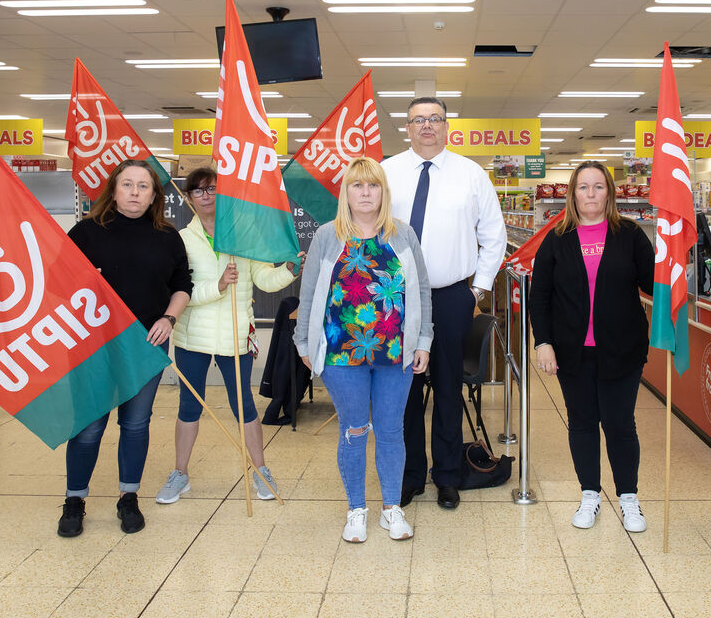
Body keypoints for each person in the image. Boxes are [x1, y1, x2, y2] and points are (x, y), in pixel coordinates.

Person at [294, 157, 433, 542]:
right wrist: (303, 342)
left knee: (391, 431)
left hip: (395, 353)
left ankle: (392, 508)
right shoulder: (327, 236)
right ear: (346, 193)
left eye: (373, 186)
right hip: (341, 354)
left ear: (383, 193)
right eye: (358, 185)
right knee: (354, 430)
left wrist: (424, 341)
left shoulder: (403, 235)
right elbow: (309, 293)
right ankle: (356, 508)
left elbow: (421, 289)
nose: (366, 193)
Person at [381, 96, 506, 510]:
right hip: (396, 297)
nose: (427, 126)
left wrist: (478, 289)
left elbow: (494, 235)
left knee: (449, 388)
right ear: (408, 127)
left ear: (446, 125)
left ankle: (448, 476)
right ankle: (410, 475)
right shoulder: (387, 172)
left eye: (435, 119)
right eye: (419, 120)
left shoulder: (471, 174)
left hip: (452, 295)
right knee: (404, 390)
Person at [59, 160, 192, 537]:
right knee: (89, 426)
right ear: (113, 189)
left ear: (154, 195)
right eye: (127, 184)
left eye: (143, 186)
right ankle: (74, 500)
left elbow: (183, 283)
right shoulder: (86, 232)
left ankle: (128, 496)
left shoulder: (167, 235)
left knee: (135, 424)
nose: (135, 192)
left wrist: (169, 318)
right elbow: (56, 284)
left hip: (145, 347)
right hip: (94, 349)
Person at [156, 167, 303, 506]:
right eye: (198, 190)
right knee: (189, 406)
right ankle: (180, 473)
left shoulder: (242, 234)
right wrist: (218, 286)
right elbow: (181, 290)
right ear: (190, 198)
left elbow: (265, 280)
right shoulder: (182, 239)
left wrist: (288, 270)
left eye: (212, 189)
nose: (206, 195)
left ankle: (260, 469)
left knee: (244, 407)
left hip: (235, 338)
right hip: (193, 337)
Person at [529, 161, 655, 532]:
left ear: (609, 193)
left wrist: (674, 258)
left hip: (622, 348)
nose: (590, 195)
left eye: (598, 187)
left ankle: (629, 498)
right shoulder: (557, 237)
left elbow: (652, 284)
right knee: (582, 424)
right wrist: (544, 342)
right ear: (572, 193)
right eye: (583, 187)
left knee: (620, 424)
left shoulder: (630, 234)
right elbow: (541, 297)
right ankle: (590, 495)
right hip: (572, 350)